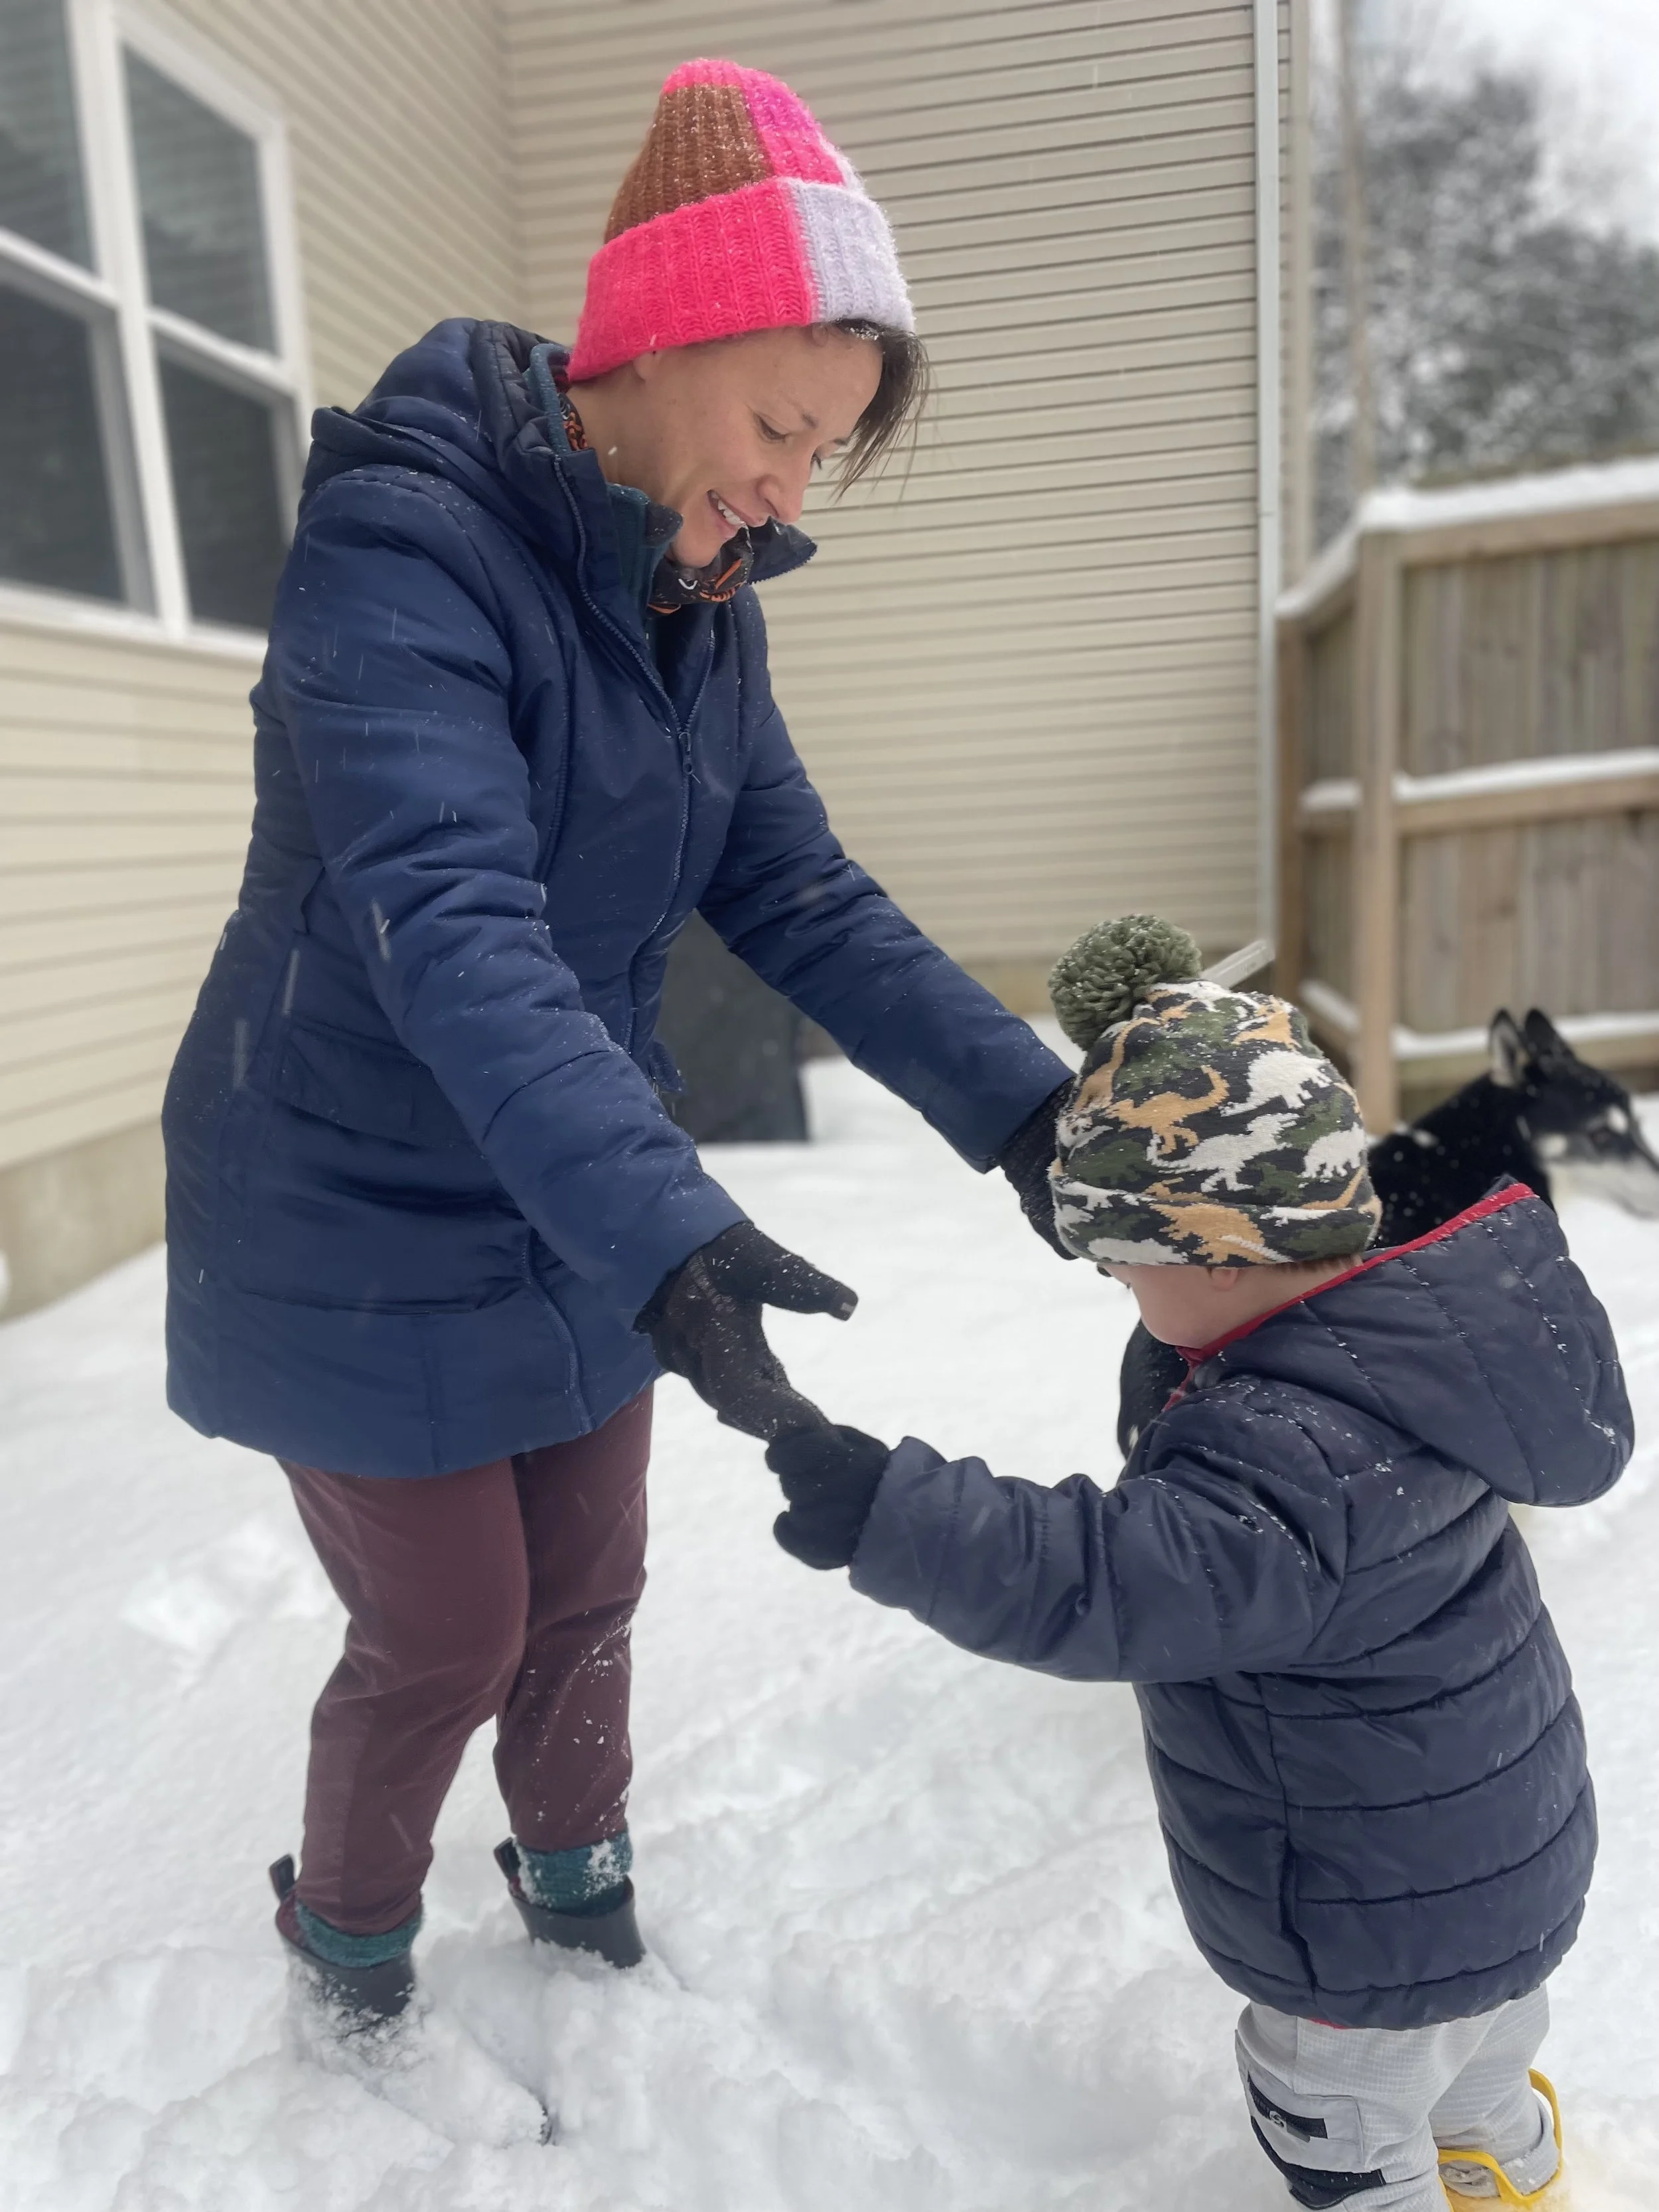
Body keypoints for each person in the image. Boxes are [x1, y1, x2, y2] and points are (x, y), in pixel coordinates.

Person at [162, 59, 1074, 2022]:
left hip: (570, 1178)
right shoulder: (399, 557)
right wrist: (665, 1229)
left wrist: (1032, 1120)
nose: (786, 485)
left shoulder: (696, 592)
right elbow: (456, 933)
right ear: (656, 338)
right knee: (447, 1625)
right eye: (776, 421)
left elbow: (802, 892)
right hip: (345, 1194)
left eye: (823, 448)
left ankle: (573, 1856)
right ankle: (347, 1923)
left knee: (587, 1580)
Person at [765, 915, 1628, 2212]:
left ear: (1219, 1255)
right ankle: (1516, 2183)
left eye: (1126, 1269)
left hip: (1361, 1926)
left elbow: (1105, 1581)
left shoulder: (1283, 1456)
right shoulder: (1418, 1360)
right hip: (1496, 1879)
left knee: (1339, 2125)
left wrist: (891, 1512)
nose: (1123, 1297)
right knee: (1474, 2077)